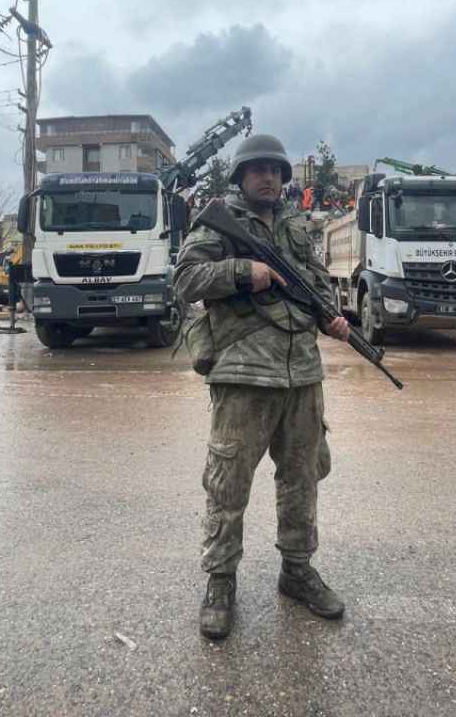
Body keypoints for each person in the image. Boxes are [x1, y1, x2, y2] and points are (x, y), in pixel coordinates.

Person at [174, 133, 352, 641]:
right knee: (228, 482)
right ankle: (220, 581)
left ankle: (297, 571)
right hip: (244, 373)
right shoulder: (219, 222)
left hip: (302, 373)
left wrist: (334, 319)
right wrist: (241, 271)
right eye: (258, 170)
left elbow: (315, 283)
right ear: (240, 177)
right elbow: (186, 280)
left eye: (275, 170)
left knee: (301, 477)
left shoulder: (295, 227)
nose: (268, 177)